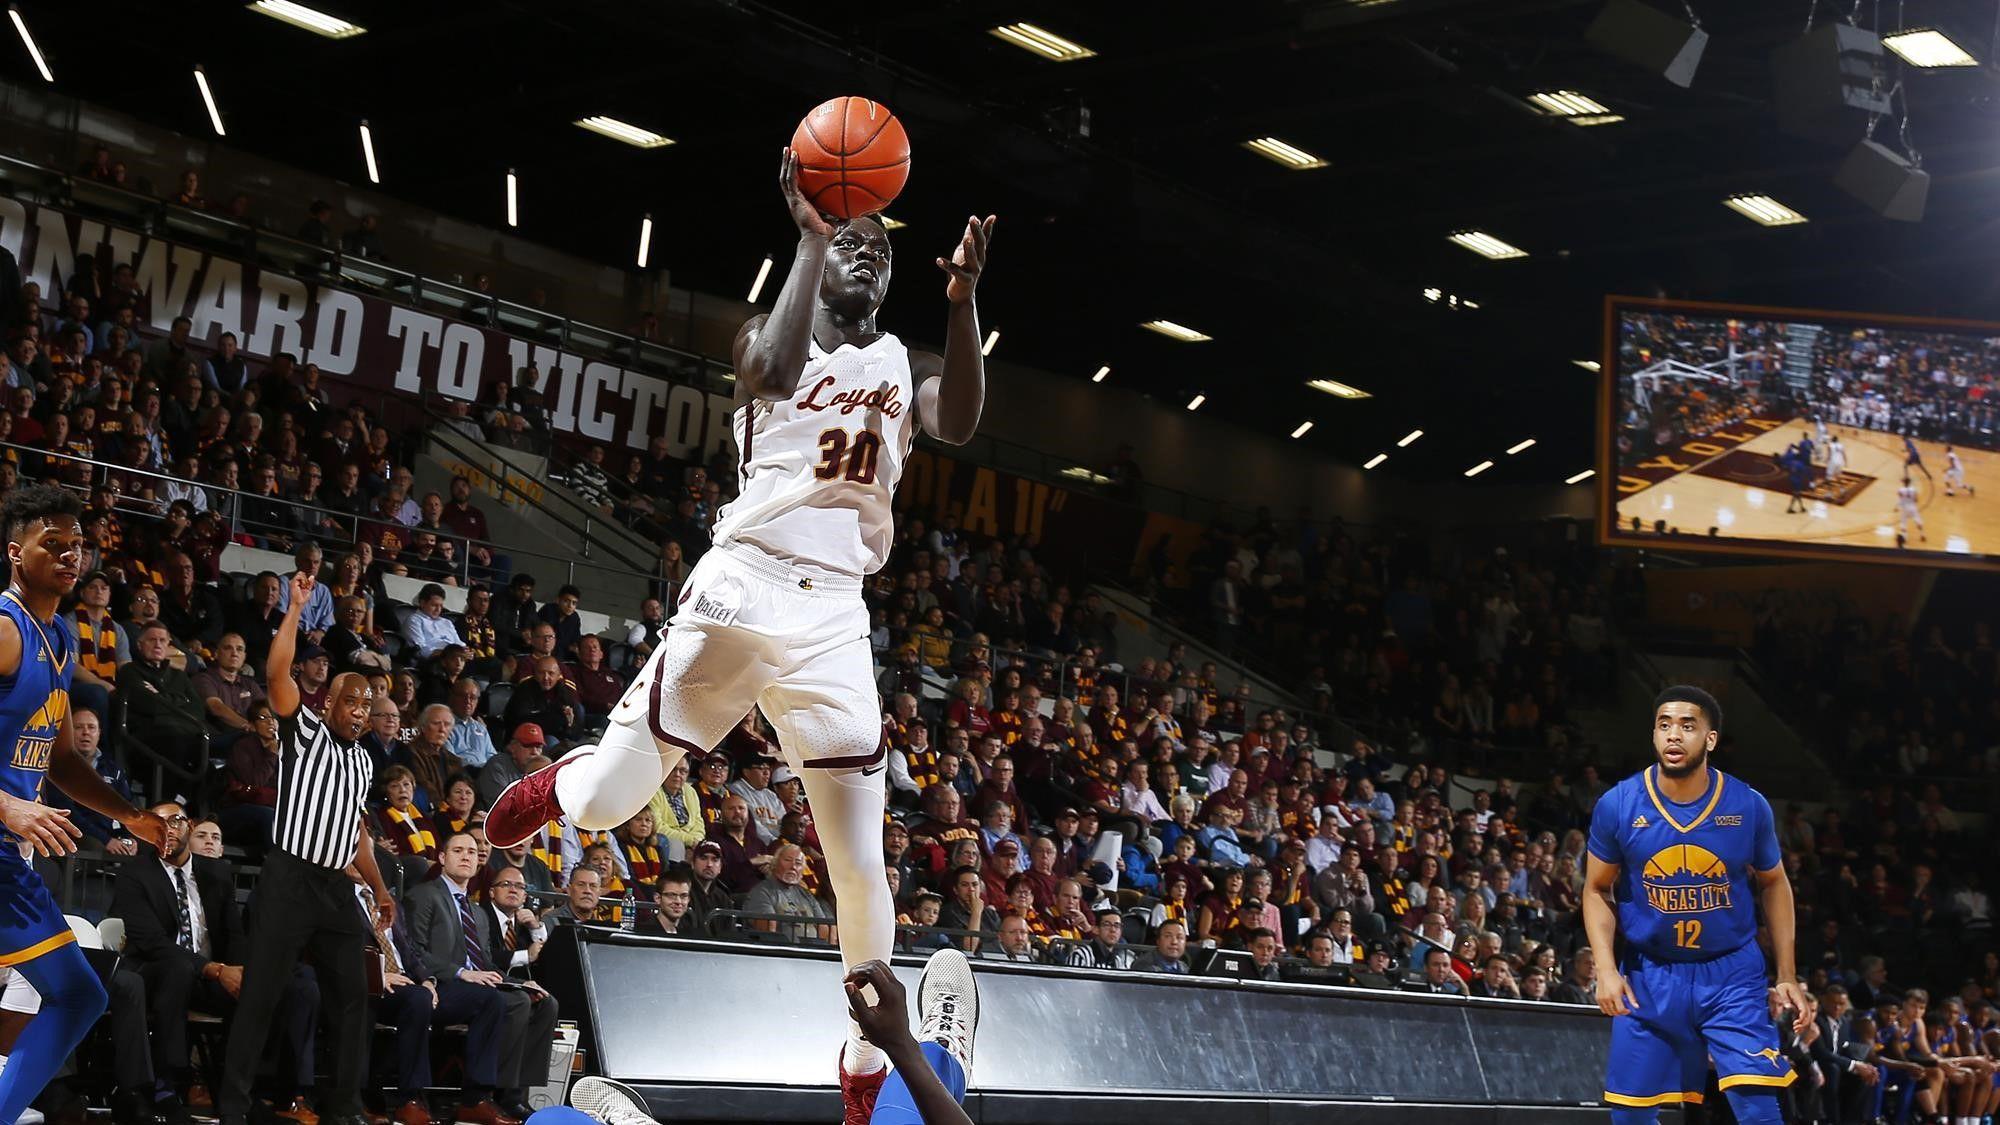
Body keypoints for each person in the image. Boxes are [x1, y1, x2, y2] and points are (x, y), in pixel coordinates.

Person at [487, 152, 996, 1089]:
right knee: (611, 805)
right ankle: (569, 781)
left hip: (837, 616)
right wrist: (810, 236)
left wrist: (962, 301)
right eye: (850, 238)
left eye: (881, 247)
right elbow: (767, 369)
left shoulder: (905, 361)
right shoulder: (772, 333)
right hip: (742, 585)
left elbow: (957, 420)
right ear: (815, 243)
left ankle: (862, 1059)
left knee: (858, 861)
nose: (869, 254)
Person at [0, 485, 167, 1124]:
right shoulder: (7, 630)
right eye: (54, 543)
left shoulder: (62, 639)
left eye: (78, 545)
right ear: (16, 553)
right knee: (73, 994)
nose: (72, 556)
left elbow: (63, 760)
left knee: (78, 996)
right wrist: (9, 807)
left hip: (9, 853)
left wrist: (132, 817)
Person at [218, 570, 396, 1125]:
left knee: (352, 1002)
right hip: (288, 880)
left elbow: (355, 832)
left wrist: (381, 887)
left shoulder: (366, 761)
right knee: (261, 998)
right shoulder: (306, 733)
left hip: (337, 890)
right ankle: (234, 1108)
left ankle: (343, 1110)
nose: (362, 709)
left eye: (369, 703)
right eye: (352, 700)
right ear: (330, 703)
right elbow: (275, 671)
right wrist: (295, 608)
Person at [1585, 685, 1807, 1123]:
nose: (1674, 735)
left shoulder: (1748, 805)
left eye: (1688, 726)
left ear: (1710, 739)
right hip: (1650, 972)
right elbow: (1596, 889)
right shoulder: (1619, 804)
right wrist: (1606, 970)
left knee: (1757, 1102)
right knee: (1629, 1115)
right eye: (1664, 725)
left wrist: (1787, 974)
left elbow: (1775, 883)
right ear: (1653, 735)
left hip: (1731, 972)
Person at [110, 802, 319, 1117]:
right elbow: (150, 941)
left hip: (212, 975)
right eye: (158, 822)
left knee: (285, 988)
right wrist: (214, 969)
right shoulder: (135, 873)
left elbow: (234, 935)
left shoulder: (216, 873)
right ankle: (169, 1087)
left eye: (176, 821)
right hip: (157, 972)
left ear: (190, 827)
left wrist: (241, 971)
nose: (167, 828)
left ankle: (247, 1091)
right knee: (178, 968)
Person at [401, 830, 555, 1123]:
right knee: (504, 1002)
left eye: (472, 852)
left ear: (478, 864)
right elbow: (414, 952)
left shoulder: (477, 911)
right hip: (440, 986)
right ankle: (477, 1096)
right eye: (458, 851)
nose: (466, 856)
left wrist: (520, 982)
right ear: (443, 858)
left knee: (544, 1001)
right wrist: (461, 973)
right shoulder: (424, 894)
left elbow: (485, 964)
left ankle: (513, 1096)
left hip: (474, 986)